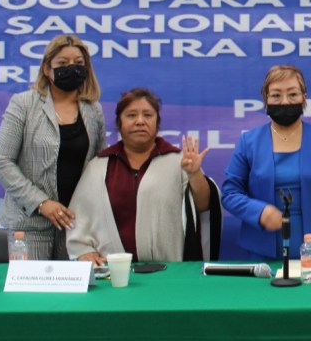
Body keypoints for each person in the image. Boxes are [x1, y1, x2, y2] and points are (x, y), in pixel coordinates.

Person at [0, 34, 106, 260]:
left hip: (76, 224)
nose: (71, 69)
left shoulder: (93, 110)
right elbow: (0, 161)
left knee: (79, 295)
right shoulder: (23, 103)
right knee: (30, 294)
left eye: (79, 64)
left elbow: (99, 165)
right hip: (29, 224)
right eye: (62, 64)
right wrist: (41, 203)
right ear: (46, 68)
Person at [66, 88, 213, 263]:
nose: (140, 121)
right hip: (114, 275)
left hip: (169, 273)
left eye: (148, 115)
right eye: (131, 115)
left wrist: (194, 174)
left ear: (157, 122)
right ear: (119, 123)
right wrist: (83, 251)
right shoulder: (99, 166)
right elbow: (78, 217)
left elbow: (203, 207)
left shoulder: (179, 161)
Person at [222, 65, 311, 259]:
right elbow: (230, 193)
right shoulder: (249, 142)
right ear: (265, 100)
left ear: (304, 97)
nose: (284, 102)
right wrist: (259, 212)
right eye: (276, 96)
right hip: (262, 251)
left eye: (292, 94)